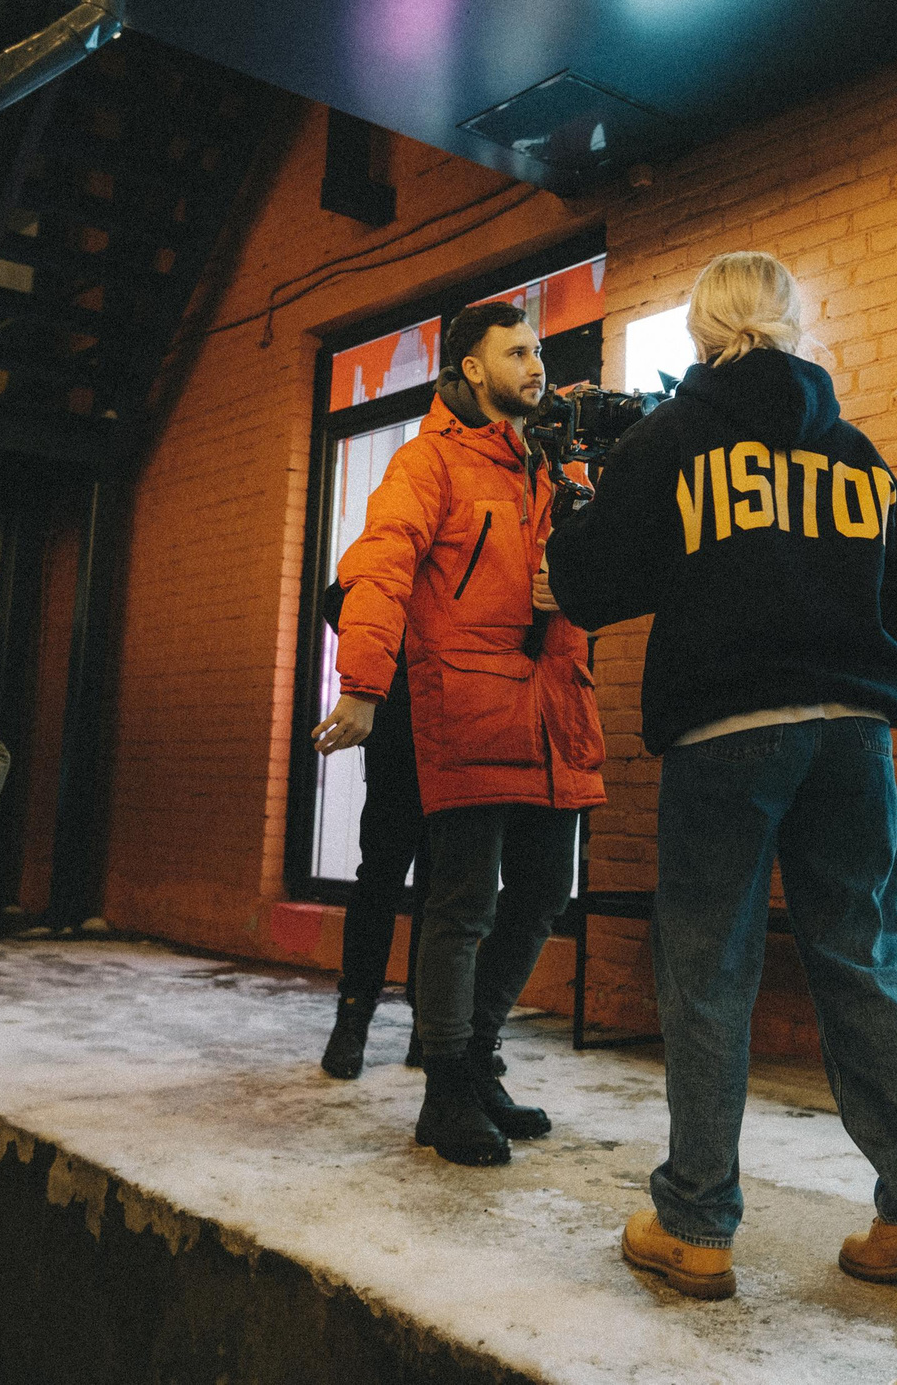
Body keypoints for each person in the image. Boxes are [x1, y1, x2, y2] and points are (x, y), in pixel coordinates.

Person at [547, 250, 897, 1302]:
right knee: (863, 960)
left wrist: (579, 503)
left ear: (700, 332)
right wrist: (836, 634)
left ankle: (695, 1225)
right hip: (852, 736)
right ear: (792, 325)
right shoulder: (854, 451)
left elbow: (589, 586)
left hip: (725, 732)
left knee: (708, 971)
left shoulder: (672, 439)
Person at [313, 301, 607, 1166]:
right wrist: (364, 685)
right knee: (463, 901)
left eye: (538, 350)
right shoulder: (429, 460)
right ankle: (444, 1088)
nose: (536, 364)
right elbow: (379, 566)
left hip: (553, 707)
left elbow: (596, 577)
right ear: (472, 368)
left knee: (545, 890)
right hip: (469, 704)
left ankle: (475, 1055)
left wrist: (576, 578)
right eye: (516, 351)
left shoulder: (553, 465)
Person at [316, 593, 428, 1079]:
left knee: (443, 890)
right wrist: (390, 665)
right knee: (380, 878)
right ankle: (353, 1017)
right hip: (399, 735)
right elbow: (337, 599)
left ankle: (432, 1027)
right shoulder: (395, 555)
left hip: (461, 732)